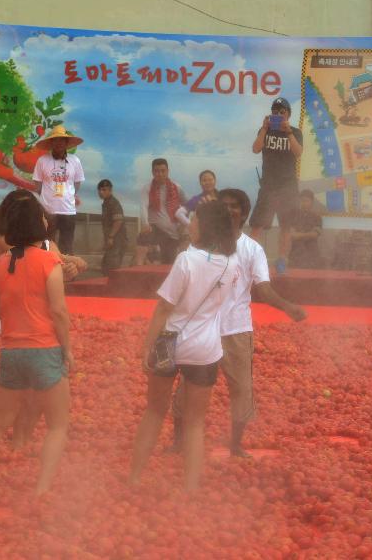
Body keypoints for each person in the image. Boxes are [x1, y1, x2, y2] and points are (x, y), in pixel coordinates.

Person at [169, 189, 307, 458]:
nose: (231, 210)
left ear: (244, 213)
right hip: (202, 328)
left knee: (241, 389)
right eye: (226, 206)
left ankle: (235, 445)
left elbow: (263, 289)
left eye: (236, 207)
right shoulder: (200, 244)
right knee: (187, 386)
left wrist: (288, 307)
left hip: (236, 330)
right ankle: (178, 442)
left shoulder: (252, 249)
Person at [0, 196, 72, 496]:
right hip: (44, 348)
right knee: (58, 425)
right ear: (39, 224)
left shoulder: (2, 263)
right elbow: (59, 311)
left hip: (11, 351)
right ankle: (42, 489)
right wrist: (68, 350)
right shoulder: (50, 261)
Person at [129, 200, 237, 492]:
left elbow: (164, 308)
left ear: (206, 226)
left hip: (170, 343)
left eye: (194, 219)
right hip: (205, 349)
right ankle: (190, 489)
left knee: (154, 411)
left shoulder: (186, 261)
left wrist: (147, 346)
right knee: (195, 423)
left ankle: (135, 477)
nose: (190, 223)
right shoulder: (232, 263)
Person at [250, 97, 304, 274]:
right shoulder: (265, 130)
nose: (278, 115)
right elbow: (256, 149)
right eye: (275, 112)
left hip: (287, 187)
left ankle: (282, 260)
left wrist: (288, 132)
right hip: (268, 186)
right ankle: (251, 261)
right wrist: (265, 129)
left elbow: (298, 153)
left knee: (286, 226)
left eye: (282, 112)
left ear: (288, 114)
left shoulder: (295, 132)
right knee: (257, 225)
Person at [0, 189, 88, 281]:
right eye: (22, 211)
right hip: (9, 295)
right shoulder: (2, 239)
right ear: (10, 215)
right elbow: (33, 259)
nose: (28, 215)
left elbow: (55, 261)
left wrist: (68, 268)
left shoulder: (46, 242)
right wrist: (65, 263)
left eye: (32, 211)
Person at [32, 125, 85, 255]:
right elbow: (37, 185)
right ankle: (48, 272)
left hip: (68, 211)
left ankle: (67, 273)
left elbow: (77, 183)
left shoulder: (75, 161)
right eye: (55, 140)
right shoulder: (42, 160)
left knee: (67, 245)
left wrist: (69, 195)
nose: (59, 143)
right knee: (47, 244)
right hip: (48, 211)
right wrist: (46, 201)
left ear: (67, 143)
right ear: (51, 143)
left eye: (62, 140)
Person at [135, 158, 189, 265]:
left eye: (163, 171)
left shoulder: (177, 188)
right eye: (157, 171)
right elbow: (143, 206)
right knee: (143, 236)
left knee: (168, 263)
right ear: (152, 172)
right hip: (155, 228)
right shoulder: (147, 188)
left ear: (168, 171)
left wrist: (183, 223)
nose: (160, 174)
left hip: (173, 234)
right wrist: (145, 223)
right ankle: (138, 266)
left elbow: (188, 205)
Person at [98, 179, 127, 275]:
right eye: (100, 190)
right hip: (112, 241)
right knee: (106, 267)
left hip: (117, 240)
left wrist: (111, 237)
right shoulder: (106, 203)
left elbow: (118, 221)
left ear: (110, 191)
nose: (101, 192)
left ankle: (116, 288)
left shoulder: (113, 203)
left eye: (104, 190)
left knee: (112, 269)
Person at [288, 189, 323, 269]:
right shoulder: (294, 216)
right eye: (302, 201)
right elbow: (292, 235)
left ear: (312, 202)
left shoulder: (317, 217)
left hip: (312, 255)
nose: (304, 203)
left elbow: (315, 235)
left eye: (306, 201)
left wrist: (299, 235)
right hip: (295, 255)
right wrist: (308, 235)